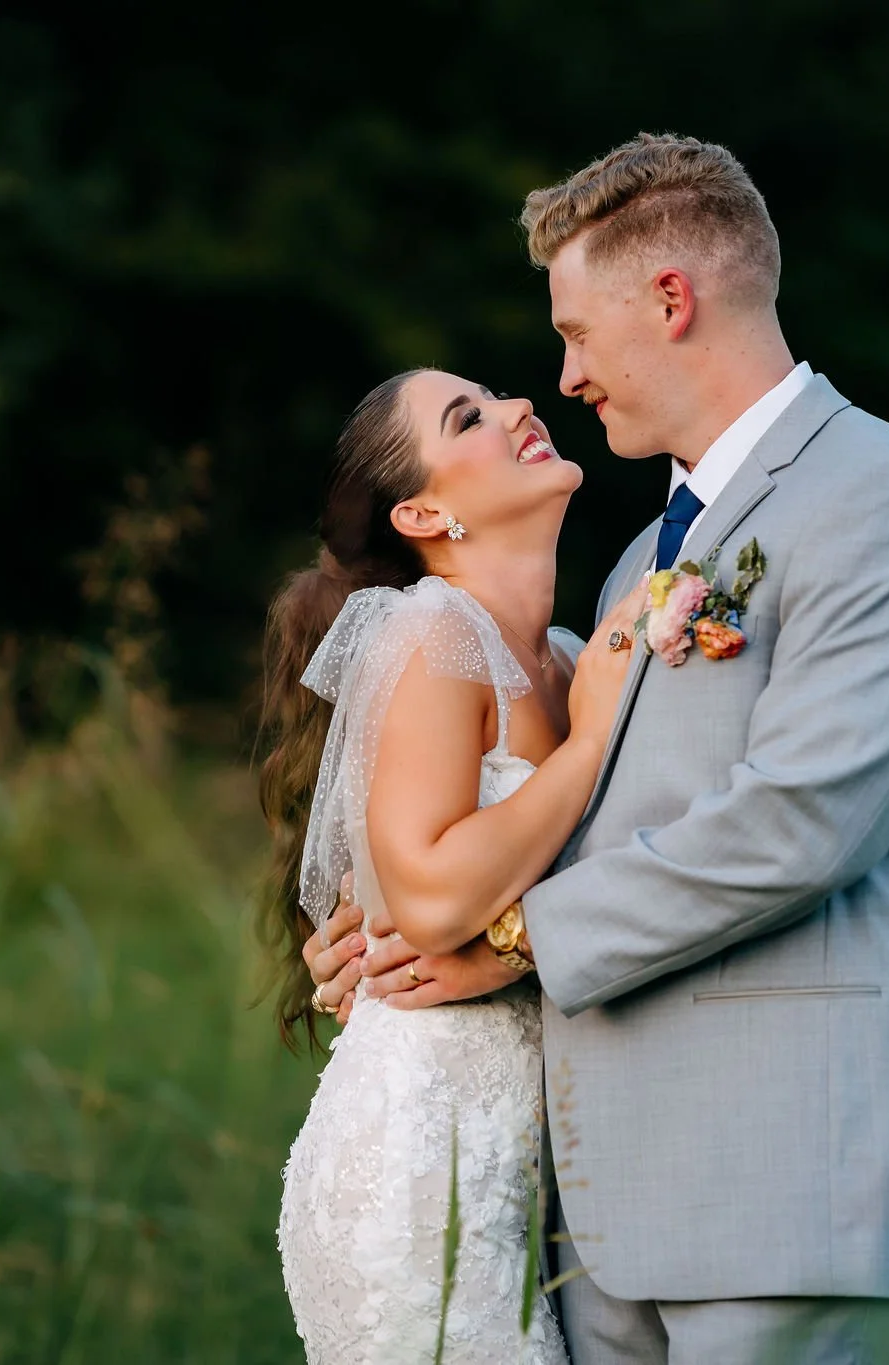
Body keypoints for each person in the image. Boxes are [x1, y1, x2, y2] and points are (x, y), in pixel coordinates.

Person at [302, 133, 889, 1363]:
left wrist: (505, 940)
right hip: (598, 1208)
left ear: (670, 299)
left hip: (791, 1179)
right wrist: (388, 922)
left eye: (575, 335)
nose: (563, 378)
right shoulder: (643, 561)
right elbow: (595, 812)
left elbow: (800, 821)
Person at [259, 368, 643, 1363]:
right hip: (413, 1176)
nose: (519, 409)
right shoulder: (436, 634)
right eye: (467, 417)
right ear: (423, 513)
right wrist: (588, 747)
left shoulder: (572, 658)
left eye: (498, 397)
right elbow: (429, 900)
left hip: (520, 1175)